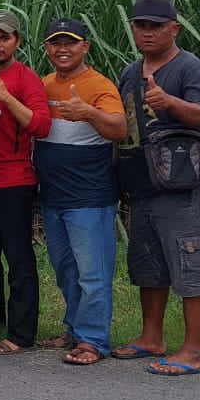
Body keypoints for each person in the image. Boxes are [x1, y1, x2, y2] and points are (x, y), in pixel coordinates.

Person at [113, 0, 200, 378]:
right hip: (143, 185)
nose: (148, 32)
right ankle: (151, 337)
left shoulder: (190, 68)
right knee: (149, 267)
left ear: (174, 28)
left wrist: (169, 101)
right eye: (141, 25)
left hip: (185, 186)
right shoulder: (130, 71)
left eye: (156, 26)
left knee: (191, 265)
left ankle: (193, 352)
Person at [32, 19, 126, 366]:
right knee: (66, 270)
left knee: (93, 273)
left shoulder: (99, 85)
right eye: (55, 43)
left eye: (70, 43)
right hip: (53, 197)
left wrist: (87, 112)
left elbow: (119, 128)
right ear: (47, 49)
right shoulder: (43, 85)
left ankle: (94, 340)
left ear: (85, 47)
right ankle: (74, 329)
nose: (63, 49)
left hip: (90, 198)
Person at [0, 9, 52, 353]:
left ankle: (21, 333)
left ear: (17, 41)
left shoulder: (26, 78)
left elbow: (41, 125)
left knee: (18, 257)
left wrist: (6, 98)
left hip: (14, 180)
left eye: (4, 37)